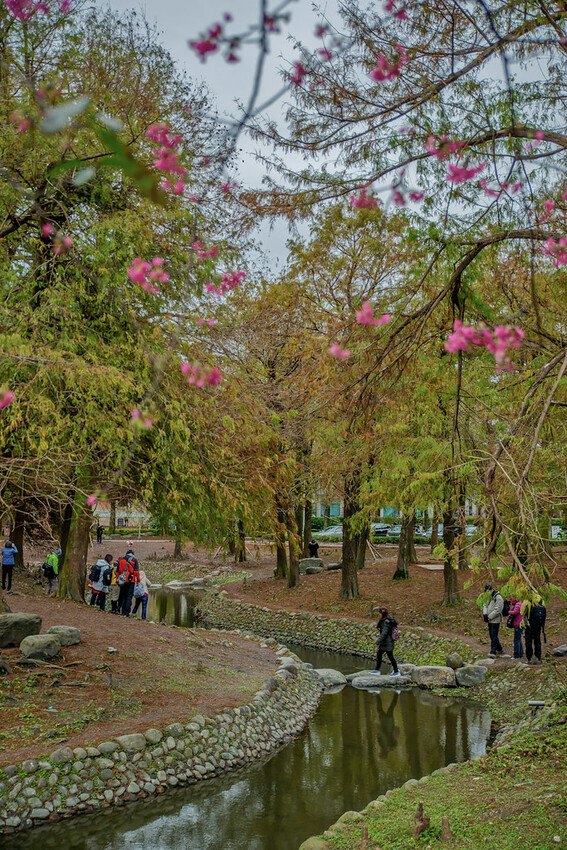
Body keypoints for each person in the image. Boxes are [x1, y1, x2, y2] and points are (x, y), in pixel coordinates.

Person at [372, 606, 400, 675]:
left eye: (379, 613)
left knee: (390, 657)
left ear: (382, 614)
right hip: (385, 642)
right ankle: (377, 670)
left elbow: (384, 633)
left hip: (388, 642)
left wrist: (377, 642)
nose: (379, 614)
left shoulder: (386, 622)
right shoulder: (388, 619)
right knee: (379, 654)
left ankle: (396, 672)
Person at [482, 584, 504, 657]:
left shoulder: (498, 597)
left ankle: (493, 651)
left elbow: (498, 610)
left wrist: (489, 616)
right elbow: (484, 605)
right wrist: (485, 614)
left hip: (495, 620)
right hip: (489, 619)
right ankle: (499, 648)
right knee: (492, 635)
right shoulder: (488, 597)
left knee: (494, 635)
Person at [116, 549, 139, 616]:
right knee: (129, 597)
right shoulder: (134, 560)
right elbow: (136, 572)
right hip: (130, 580)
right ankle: (127, 612)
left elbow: (117, 572)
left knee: (123, 595)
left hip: (122, 581)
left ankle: (122, 611)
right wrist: (138, 581)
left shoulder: (121, 560)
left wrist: (118, 580)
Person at [524, 597, 547, 665]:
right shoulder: (541, 600)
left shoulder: (527, 601)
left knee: (528, 642)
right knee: (537, 641)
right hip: (538, 625)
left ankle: (530, 659)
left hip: (529, 625)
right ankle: (537, 658)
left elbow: (522, 611)